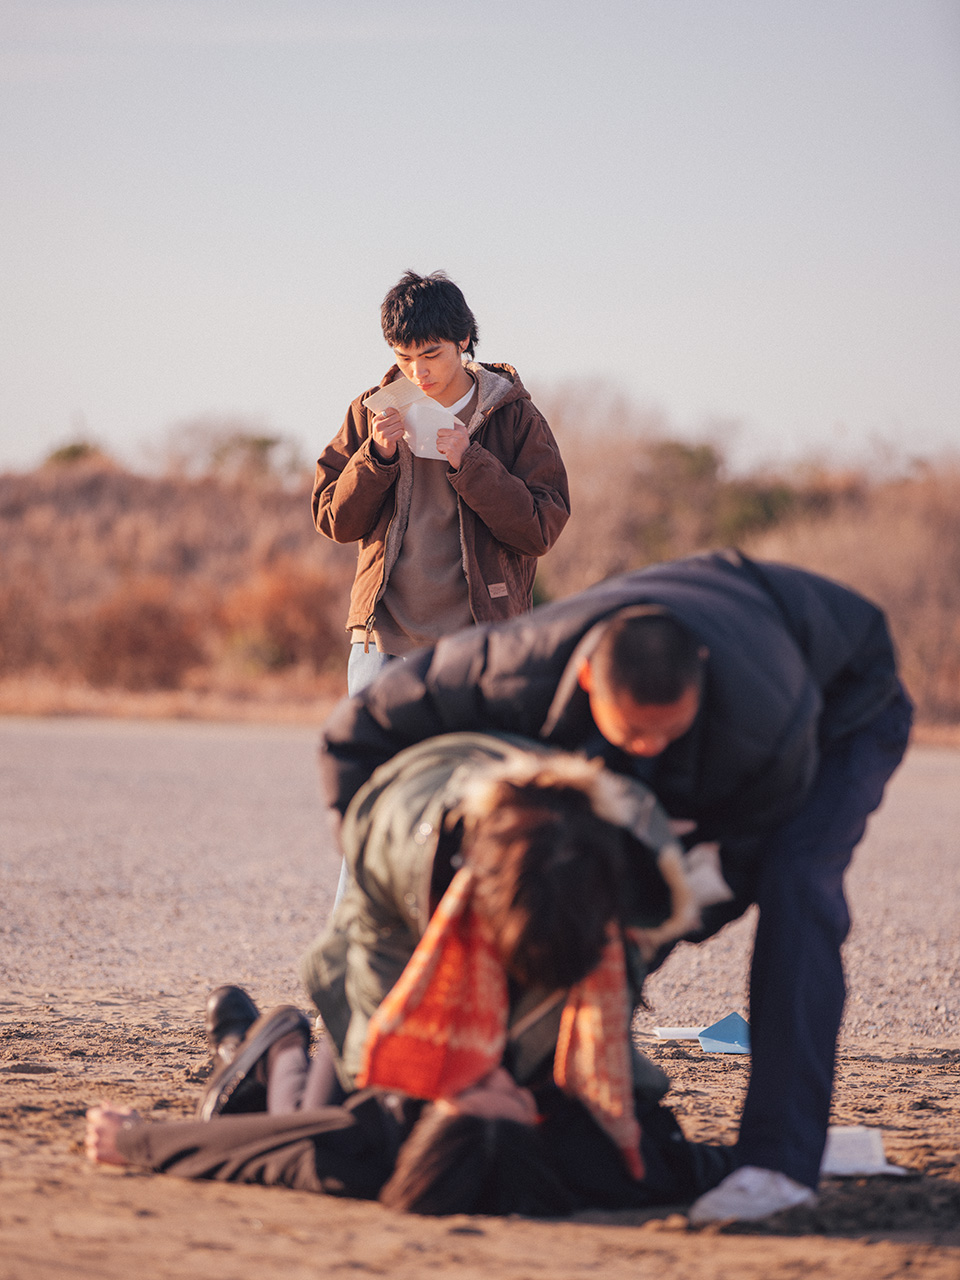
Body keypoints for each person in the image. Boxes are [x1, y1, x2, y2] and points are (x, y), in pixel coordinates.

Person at [316, 548, 913, 1222]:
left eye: (669, 730)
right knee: (551, 879)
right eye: (637, 733)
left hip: (845, 706)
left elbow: (725, 875)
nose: (651, 748)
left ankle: (778, 1164)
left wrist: (620, 948)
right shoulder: (506, 667)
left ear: (701, 681)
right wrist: (373, 863)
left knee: (798, 890)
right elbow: (353, 734)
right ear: (589, 683)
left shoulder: (765, 730)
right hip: (722, 642)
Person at [86, 744, 734, 1214]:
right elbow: (709, 1166)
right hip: (458, 919)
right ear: (536, 1123)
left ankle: (273, 1041)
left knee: (288, 1115)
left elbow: (265, 1150)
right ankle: (257, 1047)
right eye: (511, 1096)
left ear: (436, 1118)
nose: (495, 1073)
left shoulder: (374, 1143)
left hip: (395, 1045)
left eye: (471, 1090)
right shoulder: (593, 1157)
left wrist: (135, 1140)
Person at [313, 269, 570, 700]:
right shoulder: (371, 411)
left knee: (471, 764)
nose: (418, 371)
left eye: (431, 354)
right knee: (378, 764)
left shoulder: (513, 416)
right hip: (382, 641)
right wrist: (376, 457)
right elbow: (333, 521)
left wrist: (471, 463)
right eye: (403, 357)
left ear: (464, 339)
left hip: (480, 640)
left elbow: (539, 531)